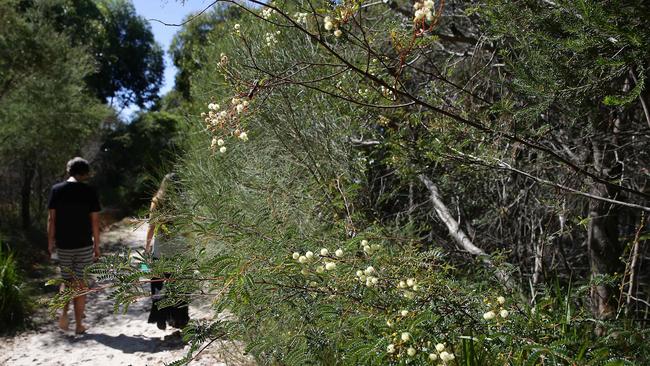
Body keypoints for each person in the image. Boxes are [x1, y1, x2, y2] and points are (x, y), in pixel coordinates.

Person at [47, 157, 101, 334]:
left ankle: (63, 315)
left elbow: (51, 219)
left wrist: (50, 243)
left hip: (63, 245)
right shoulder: (89, 191)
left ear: (68, 171)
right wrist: (97, 246)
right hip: (84, 244)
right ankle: (79, 325)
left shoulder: (56, 190)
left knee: (65, 280)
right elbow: (95, 221)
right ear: (84, 173)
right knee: (80, 283)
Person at [145, 173, 190, 330]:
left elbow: (151, 226)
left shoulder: (157, 201)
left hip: (161, 248)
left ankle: (161, 317)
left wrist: (147, 246)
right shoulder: (185, 201)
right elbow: (188, 227)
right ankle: (180, 319)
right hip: (180, 248)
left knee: (158, 282)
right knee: (180, 284)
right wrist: (190, 245)